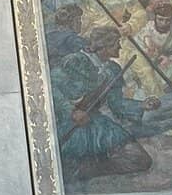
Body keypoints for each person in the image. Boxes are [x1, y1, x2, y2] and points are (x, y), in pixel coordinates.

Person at [52, 25, 159, 181]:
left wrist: (141, 105)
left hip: (97, 123)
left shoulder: (113, 69)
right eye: (116, 43)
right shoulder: (74, 61)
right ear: (103, 46)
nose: (120, 47)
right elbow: (51, 87)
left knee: (141, 160)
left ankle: (89, 170)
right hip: (70, 123)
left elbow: (117, 103)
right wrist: (71, 111)